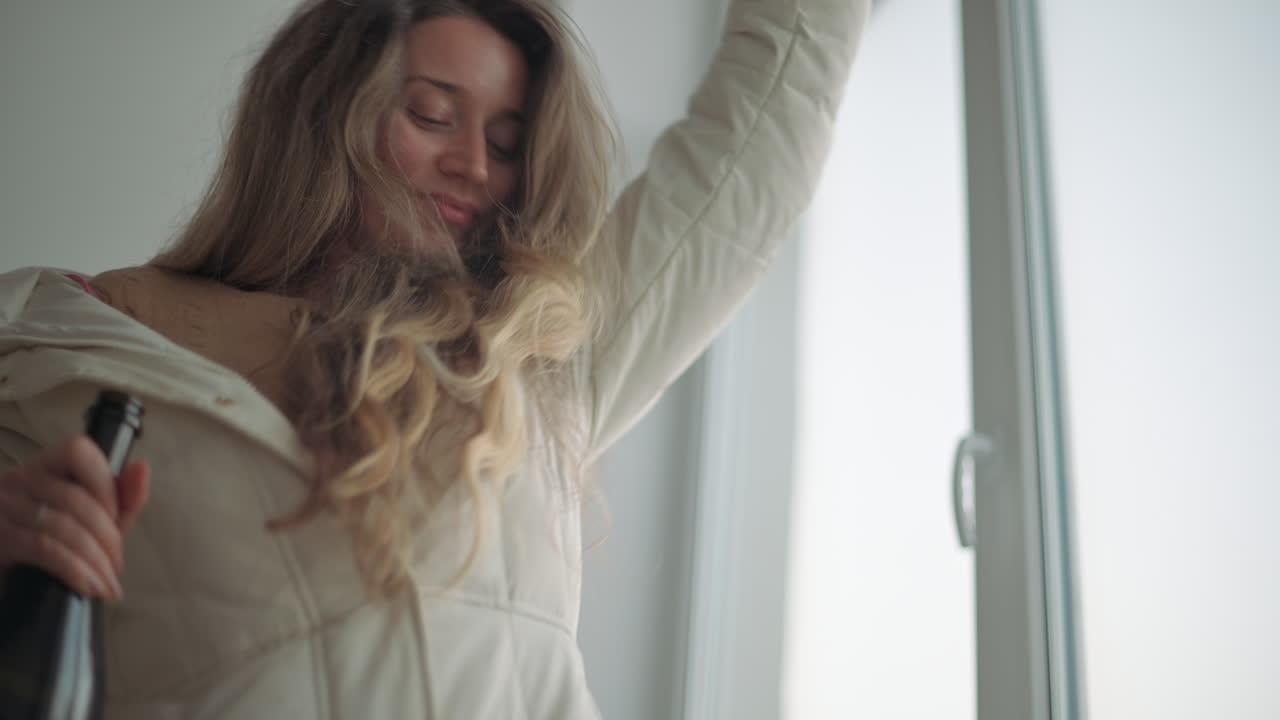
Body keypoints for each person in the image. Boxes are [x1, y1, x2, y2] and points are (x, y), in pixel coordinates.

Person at [0, 0, 869, 716]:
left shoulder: (537, 358)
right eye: (432, 115)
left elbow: (762, 133)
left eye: (506, 142)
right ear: (321, 110)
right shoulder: (73, 339)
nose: (473, 165)